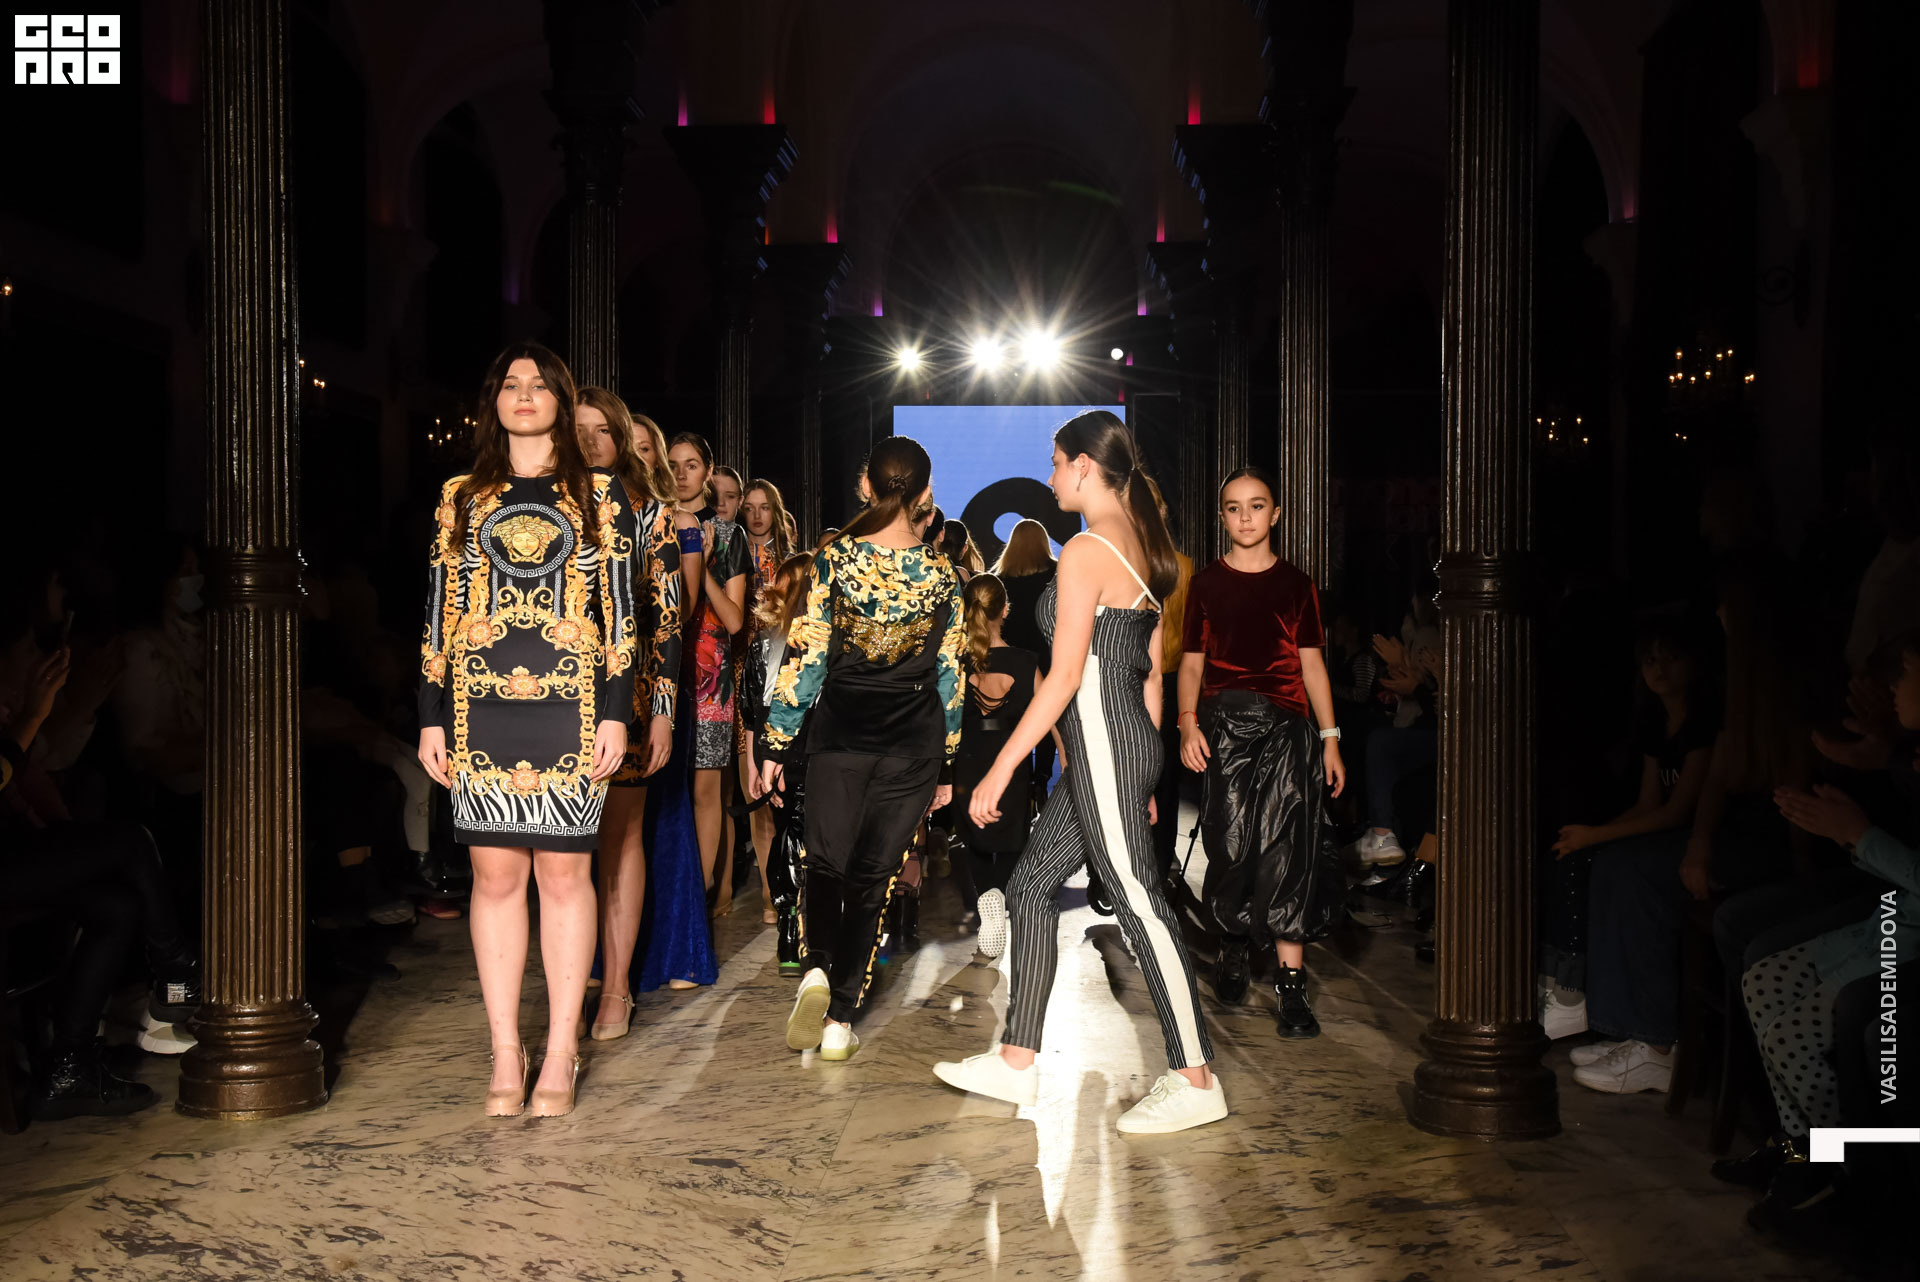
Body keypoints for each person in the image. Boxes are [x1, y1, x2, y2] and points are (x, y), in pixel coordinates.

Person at [934, 411, 1227, 1135]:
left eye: (1057, 462)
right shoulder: (1145, 545)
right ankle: (1016, 1060)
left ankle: (1195, 1077)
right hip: (1121, 743)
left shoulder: (1091, 549)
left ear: (1086, 467)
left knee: (1138, 901)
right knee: (1031, 888)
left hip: (1104, 743)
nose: (1051, 475)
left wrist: (1002, 767)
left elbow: (1065, 678)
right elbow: (1149, 676)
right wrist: (1143, 770)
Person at [417, 342, 639, 1118]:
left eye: (539, 385)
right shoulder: (461, 495)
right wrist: (430, 716)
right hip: (478, 706)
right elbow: (439, 610)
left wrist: (617, 711)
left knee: (565, 877)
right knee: (495, 879)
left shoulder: (600, 494)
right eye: (509, 384)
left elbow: (623, 614)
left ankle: (563, 1051)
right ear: (494, 401)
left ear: (560, 400)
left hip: (572, 706)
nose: (523, 394)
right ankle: (505, 1051)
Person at [756, 435, 964, 1064]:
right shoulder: (944, 575)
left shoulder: (833, 562)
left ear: (867, 485)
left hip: (842, 735)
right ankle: (840, 1019)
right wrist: (948, 763)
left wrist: (775, 742)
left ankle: (818, 968)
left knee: (826, 864)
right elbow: (949, 678)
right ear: (925, 495)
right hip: (913, 744)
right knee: (874, 880)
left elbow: (807, 659)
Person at [1712, 634, 1919, 1221]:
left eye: (1906, 673)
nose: (1891, 687)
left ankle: (1835, 1167)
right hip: (1896, 910)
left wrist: (1857, 834)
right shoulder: (1906, 749)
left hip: (1906, 926)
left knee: (1796, 1031)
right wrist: (1853, 825)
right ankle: (1802, 1149)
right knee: (1763, 977)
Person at [1177, 467, 1347, 1038]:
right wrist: (1187, 723)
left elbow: (1312, 665)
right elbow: (1192, 664)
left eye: (1256, 505)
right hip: (1225, 726)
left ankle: (1291, 983)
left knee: (1288, 848)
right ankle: (1232, 944)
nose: (1245, 516)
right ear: (1222, 516)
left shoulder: (1297, 585)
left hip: (1288, 728)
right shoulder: (1205, 584)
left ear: (1275, 514)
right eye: (1233, 507)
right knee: (1229, 844)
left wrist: (1330, 738)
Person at [1535, 619, 1717, 1040]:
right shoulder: (1655, 722)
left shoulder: (1704, 724)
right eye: (1651, 660)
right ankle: (1560, 985)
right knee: (1568, 855)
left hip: (1690, 837)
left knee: (1607, 863)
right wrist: (1589, 835)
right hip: (1661, 829)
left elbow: (1677, 812)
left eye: (1671, 658)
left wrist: (1595, 836)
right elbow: (1648, 803)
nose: (1659, 669)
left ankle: (1575, 997)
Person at [577, 387, 689, 1040]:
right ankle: (573, 981)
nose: (589, 440)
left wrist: (664, 712)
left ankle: (617, 986)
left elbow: (669, 621)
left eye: (602, 429)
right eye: (578, 428)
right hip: (552, 696)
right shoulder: (547, 504)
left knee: (619, 840)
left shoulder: (652, 515)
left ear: (621, 439)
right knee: (562, 851)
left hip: (632, 694)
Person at [950, 573, 1058, 958]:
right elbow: (1053, 721)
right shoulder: (1026, 663)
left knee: (974, 836)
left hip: (968, 761)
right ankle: (998, 891)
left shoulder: (956, 662)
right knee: (1013, 838)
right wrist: (1067, 761)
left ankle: (986, 895)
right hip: (1010, 763)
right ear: (1005, 610)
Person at [666, 434, 750, 920]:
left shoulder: (730, 534)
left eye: (692, 464)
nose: (681, 473)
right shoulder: (655, 522)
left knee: (705, 790)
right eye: (674, 464)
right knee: (664, 793)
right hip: (660, 669)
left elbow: (736, 621)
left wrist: (704, 562)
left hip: (709, 676)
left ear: (708, 471)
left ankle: (697, 900)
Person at [737, 551, 815, 975]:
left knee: (789, 831)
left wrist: (756, 763)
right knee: (802, 833)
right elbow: (752, 711)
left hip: (785, 749)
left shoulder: (768, 644)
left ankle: (790, 927)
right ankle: (798, 928)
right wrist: (755, 764)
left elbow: (753, 713)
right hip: (801, 749)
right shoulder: (771, 644)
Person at [738, 479, 796, 924]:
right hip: (739, 670)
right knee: (754, 789)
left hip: (785, 672)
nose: (757, 515)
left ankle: (785, 889)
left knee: (786, 793)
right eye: (750, 507)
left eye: (765, 507)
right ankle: (766, 886)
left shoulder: (792, 563)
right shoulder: (732, 552)